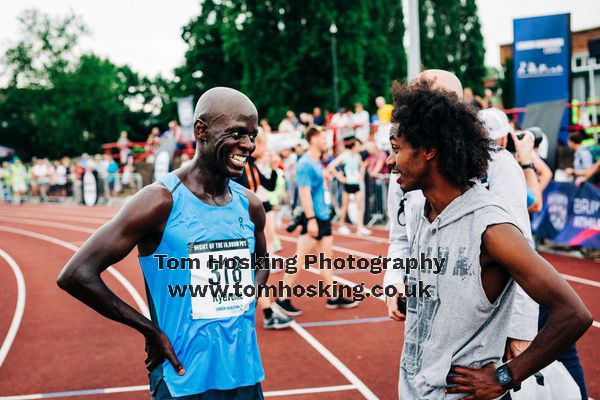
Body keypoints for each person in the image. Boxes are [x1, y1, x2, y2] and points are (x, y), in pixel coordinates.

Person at [385, 77, 591, 399]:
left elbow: (574, 314)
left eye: (396, 150)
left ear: (429, 150)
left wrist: (507, 374)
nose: (388, 161)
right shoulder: (421, 212)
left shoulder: (490, 227)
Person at [57, 87, 269, 400]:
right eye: (237, 133)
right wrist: (149, 330)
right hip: (183, 379)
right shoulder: (160, 202)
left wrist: (246, 294)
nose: (248, 145)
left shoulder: (249, 204)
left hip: (244, 374)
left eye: (252, 135)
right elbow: (76, 274)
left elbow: (262, 261)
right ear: (201, 130)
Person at [274, 126, 357, 316]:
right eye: (322, 137)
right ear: (313, 139)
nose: (326, 140)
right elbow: (304, 193)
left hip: (323, 216)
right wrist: (311, 219)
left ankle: (332, 296)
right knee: (299, 257)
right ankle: (282, 298)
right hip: (315, 217)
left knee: (326, 258)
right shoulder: (305, 164)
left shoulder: (316, 162)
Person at [233, 131, 294, 330]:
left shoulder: (252, 167)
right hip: (240, 224)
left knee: (256, 267)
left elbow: (267, 184)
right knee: (251, 268)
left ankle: (267, 312)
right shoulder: (240, 165)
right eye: (263, 145)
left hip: (248, 223)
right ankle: (267, 313)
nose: (266, 149)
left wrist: (276, 169)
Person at [327, 138, 371, 236]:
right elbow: (331, 166)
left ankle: (360, 227)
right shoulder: (344, 156)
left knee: (360, 206)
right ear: (353, 146)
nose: (359, 147)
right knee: (345, 205)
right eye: (357, 145)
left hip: (356, 183)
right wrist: (340, 177)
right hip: (347, 183)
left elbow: (361, 168)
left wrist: (362, 172)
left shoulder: (358, 156)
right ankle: (342, 225)